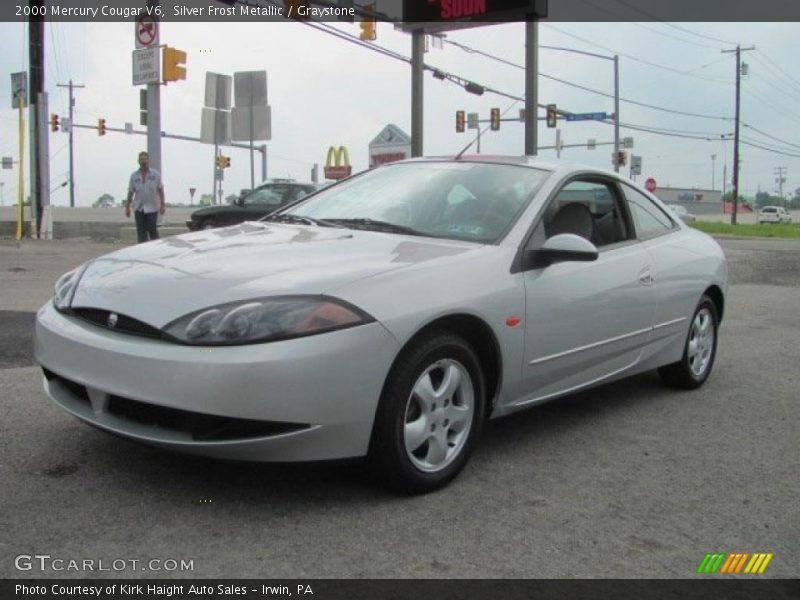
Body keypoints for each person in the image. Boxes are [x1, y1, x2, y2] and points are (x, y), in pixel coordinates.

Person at [125, 151, 166, 243]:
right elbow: (130, 192)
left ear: (148, 160)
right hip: (139, 207)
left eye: (145, 159)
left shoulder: (155, 175)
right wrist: (127, 207)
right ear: (138, 161)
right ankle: (142, 248)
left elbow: (160, 189)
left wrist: (162, 204)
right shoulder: (134, 176)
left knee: (152, 227)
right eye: (141, 159)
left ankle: (156, 245)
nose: (143, 161)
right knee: (141, 231)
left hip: (152, 207)